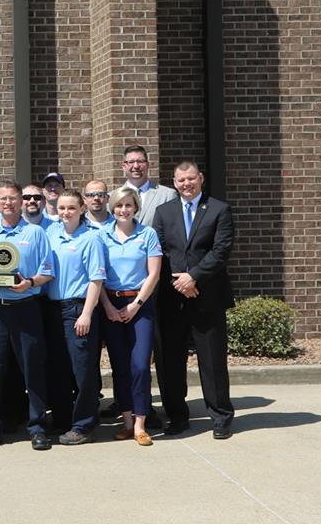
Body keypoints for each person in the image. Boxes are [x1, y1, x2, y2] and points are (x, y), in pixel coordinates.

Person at [153, 161, 235, 439]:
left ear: (200, 178)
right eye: (181, 180)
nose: (186, 184)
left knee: (212, 361)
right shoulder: (164, 212)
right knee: (170, 362)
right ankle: (177, 416)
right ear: (174, 183)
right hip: (172, 298)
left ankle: (221, 417)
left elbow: (221, 250)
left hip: (207, 297)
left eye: (191, 178)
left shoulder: (219, 210)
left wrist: (194, 277)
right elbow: (160, 251)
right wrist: (181, 281)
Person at [0, 180, 54, 451]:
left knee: (32, 367)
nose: (8, 203)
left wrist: (29, 283)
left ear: (21, 202)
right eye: (3, 199)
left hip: (26, 306)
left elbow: (47, 271)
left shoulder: (35, 233)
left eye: (13, 198)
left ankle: (38, 427)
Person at [99, 186, 162, 446]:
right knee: (120, 366)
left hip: (140, 304)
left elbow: (154, 274)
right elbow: (97, 275)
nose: (123, 210)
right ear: (112, 208)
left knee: (140, 366)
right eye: (118, 205)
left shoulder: (147, 234)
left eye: (128, 205)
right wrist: (107, 306)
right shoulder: (101, 236)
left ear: (136, 207)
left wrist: (136, 304)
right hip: (110, 304)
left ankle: (140, 424)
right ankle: (126, 422)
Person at [44, 190, 106, 445]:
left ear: (82, 209)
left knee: (83, 370)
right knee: (58, 369)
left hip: (77, 310)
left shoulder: (91, 238)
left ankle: (84, 424)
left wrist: (87, 314)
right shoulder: (51, 234)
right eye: (61, 208)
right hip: (52, 308)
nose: (66, 213)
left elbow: (96, 279)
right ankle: (62, 419)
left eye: (71, 208)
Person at [121, 144, 177, 228]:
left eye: (140, 161)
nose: (136, 166)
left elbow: (173, 228)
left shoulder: (168, 195)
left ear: (147, 165)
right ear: (124, 167)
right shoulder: (112, 197)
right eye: (131, 162)